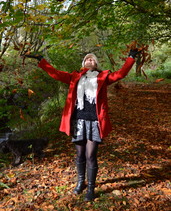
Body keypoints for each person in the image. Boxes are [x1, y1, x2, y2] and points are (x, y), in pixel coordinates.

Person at [24, 49, 139, 201]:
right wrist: (41, 60)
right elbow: (56, 74)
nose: (89, 61)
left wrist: (130, 58)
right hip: (78, 121)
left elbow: (121, 73)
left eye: (92, 59)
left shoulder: (103, 77)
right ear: (83, 63)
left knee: (90, 155)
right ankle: (80, 182)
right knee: (79, 154)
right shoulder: (75, 77)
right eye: (87, 59)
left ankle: (91, 187)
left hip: (95, 122)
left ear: (96, 63)